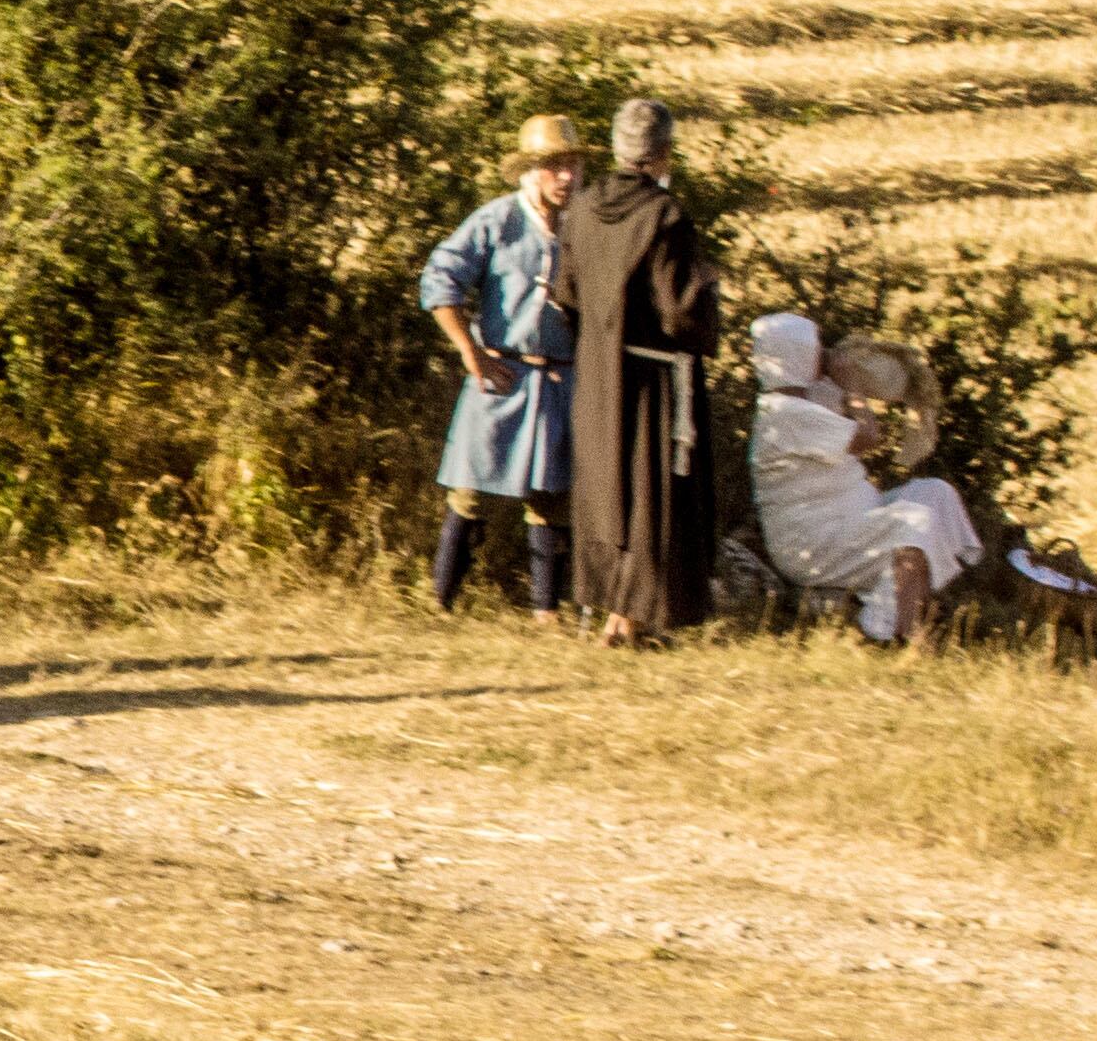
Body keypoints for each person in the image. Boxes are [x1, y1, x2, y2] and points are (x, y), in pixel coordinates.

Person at [549, 97, 722, 646]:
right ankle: (635, 617)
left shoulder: (582, 206)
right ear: (665, 153)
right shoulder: (666, 216)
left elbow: (565, 291)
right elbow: (679, 310)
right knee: (651, 492)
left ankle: (616, 617)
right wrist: (709, 288)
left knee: (607, 489)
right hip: (654, 378)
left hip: (599, 372)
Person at [418, 113, 581, 620]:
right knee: (469, 493)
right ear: (530, 171)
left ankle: (546, 613)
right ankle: (443, 605)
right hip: (501, 376)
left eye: (573, 165)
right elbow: (440, 278)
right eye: (555, 167)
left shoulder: (587, 226)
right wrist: (471, 351)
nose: (567, 178)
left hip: (561, 379)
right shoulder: (497, 220)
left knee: (552, 499)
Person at [746, 314, 978, 648]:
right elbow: (868, 436)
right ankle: (901, 635)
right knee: (914, 522)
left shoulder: (806, 398)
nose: (821, 354)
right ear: (797, 356)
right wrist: (853, 388)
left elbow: (869, 389)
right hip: (816, 541)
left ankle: (910, 608)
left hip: (849, 521)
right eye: (814, 349)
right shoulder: (782, 413)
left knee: (935, 493)